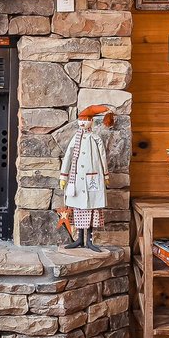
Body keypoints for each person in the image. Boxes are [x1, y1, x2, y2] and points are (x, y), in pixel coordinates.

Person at [58, 104, 114, 247]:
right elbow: (68, 156)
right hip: (77, 180)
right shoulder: (75, 139)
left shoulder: (95, 139)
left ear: (91, 121)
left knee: (91, 206)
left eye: (86, 119)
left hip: (93, 178)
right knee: (79, 208)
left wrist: (106, 175)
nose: (82, 122)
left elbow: (102, 158)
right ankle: (79, 239)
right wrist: (63, 176)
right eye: (81, 120)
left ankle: (89, 240)